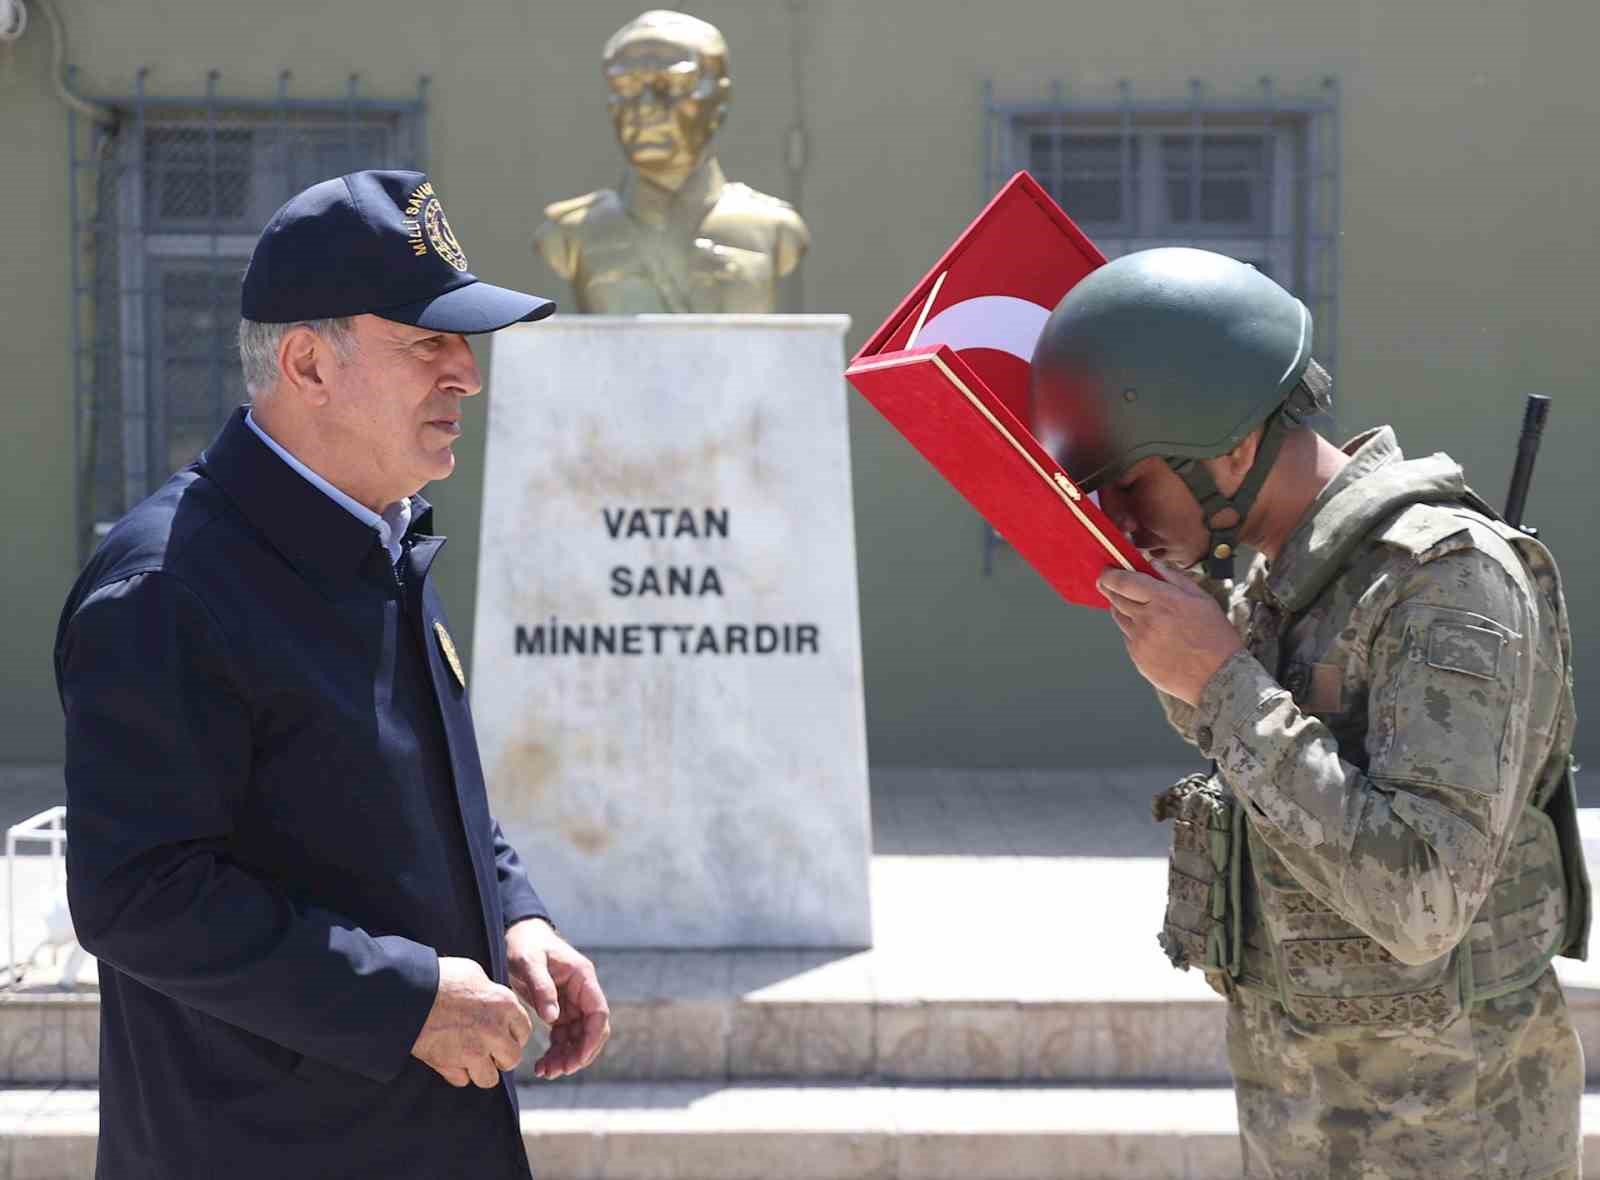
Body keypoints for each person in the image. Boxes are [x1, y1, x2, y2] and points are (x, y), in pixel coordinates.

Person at [55, 169, 610, 1179]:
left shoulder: (378, 529)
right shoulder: (169, 586)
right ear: (309, 364)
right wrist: (405, 997)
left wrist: (515, 910)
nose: (466, 376)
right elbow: (139, 893)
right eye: (427, 343)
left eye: (465, 343)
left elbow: (421, 784)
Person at [1031, 246, 1590, 1178]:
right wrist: (1199, 672)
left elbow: (1421, 900)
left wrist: (1219, 682)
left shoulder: (1446, 581)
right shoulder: (1279, 587)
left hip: (1455, 1142)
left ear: (1234, 448)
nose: (1119, 517)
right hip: (1307, 1130)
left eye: (1131, 481)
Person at [533, 8, 809, 313]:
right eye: (625, 88)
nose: (645, 108)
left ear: (718, 102)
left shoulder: (775, 228)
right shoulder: (569, 231)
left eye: (670, 86)